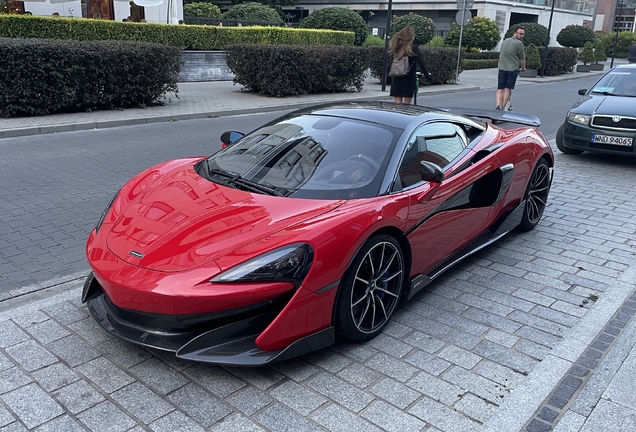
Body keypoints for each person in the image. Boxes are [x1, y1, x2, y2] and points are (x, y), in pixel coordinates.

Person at [388, 26, 432, 105]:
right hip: (408, 79)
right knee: (406, 105)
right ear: (411, 37)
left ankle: (398, 116)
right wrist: (427, 75)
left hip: (396, 78)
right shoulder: (414, 48)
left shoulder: (396, 48)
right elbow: (421, 63)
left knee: (397, 104)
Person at [496, 27, 526, 111]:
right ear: (515, 33)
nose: (522, 36)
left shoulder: (505, 41)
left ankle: (497, 105)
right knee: (507, 89)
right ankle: (502, 108)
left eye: (523, 34)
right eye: (520, 34)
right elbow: (522, 58)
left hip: (502, 67)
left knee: (500, 88)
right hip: (512, 69)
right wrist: (523, 68)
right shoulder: (519, 43)